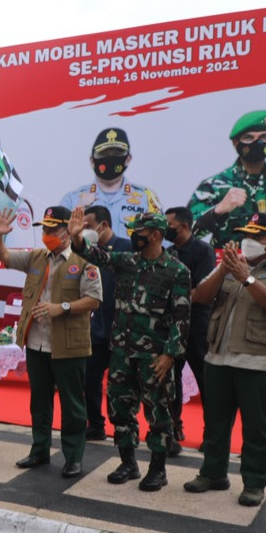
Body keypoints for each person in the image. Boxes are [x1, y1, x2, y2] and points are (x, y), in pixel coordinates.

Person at [184, 213, 266, 507]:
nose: (248, 242)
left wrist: (246, 279)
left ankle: (254, 483)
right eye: (245, 235)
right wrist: (222, 271)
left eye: (257, 236)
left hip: (260, 363)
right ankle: (213, 474)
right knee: (215, 423)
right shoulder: (231, 265)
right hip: (219, 359)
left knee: (257, 428)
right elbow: (199, 296)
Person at [69, 208, 191, 492]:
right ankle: (128, 463)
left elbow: (181, 318)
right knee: (120, 410)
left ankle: (158, 470)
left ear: (157, 236)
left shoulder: (177, 272)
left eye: (141, 233)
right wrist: (77, 239)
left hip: (155, 357)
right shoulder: (126, 261)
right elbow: (94, 255)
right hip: (122, 351)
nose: (135, 236)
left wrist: (170, 354)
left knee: (158, 414)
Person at [0, 206, 102, 477]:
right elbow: (4, 256)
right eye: (43, 229)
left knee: (72, 405)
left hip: (68, 345)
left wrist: (61, 307)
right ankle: (39, 450)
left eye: (51, 229)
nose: (46, 234)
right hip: (36, 342)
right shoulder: (36, 258)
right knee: (39, 402)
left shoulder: (84, 261)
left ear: (67, 231)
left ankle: (73, 456)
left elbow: (94, 299)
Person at [188, 110, 266, 249]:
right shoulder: (214, 186)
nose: (257, 143)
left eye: (264, 137)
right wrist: (218, 211)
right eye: (248, 137)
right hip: (228, 266)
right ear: (236, 143)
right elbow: (186, 232)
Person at [163, 205, 217, 456]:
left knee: (206, 379)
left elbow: (203, 289)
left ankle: (212, 434)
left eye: (169, 226)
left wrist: (176, 300)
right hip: (171, 324)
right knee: (169, 379)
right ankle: (173, 430)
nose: (165, 231)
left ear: (184, 226)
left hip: (196, 323)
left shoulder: (202, 250)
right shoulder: (169, 251)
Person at [81, 205, 131, 441]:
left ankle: (126, 429)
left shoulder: (127, 248)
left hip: (124, 331)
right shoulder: (88, 252)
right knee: (90, 379)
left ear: (104, 225)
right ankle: (95, 424)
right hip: (98, 329)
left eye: (88, 226)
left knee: (124, 386)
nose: (85, 231)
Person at [60, 128, 163, 237]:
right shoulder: (72, 199)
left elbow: (161, 238)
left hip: (132, 254)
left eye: (117, 154)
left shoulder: (146, 197)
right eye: (104, 154)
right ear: (92, 161)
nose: (110, 159)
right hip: (87, 254)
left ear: (128, 158)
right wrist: (79, 210)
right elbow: (61, 239)